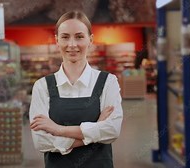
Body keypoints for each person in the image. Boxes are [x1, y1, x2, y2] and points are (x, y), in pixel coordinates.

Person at [29, 11, 123, 168]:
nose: (72, 44)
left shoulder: (108, 82)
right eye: (65, 37)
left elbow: (112, 130)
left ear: (90, 40)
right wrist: (95, 129)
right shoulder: (42, 86)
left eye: (79, 37)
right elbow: (41, 142)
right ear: (57, 40)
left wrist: (57, 129)